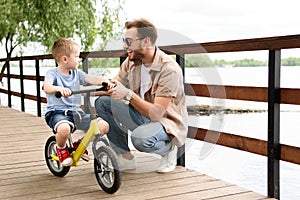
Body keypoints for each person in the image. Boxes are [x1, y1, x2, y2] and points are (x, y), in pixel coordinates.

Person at [95, 18, 188, 173]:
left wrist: (128, 95)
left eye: (129, 41)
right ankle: (125, 158)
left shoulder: (169, 70)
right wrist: (76, 89)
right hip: (141, 114)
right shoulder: (132, 62)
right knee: (103, 102)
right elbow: (112, 85)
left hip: (165, 122)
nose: (125, 46)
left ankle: (168, 149)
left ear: (145, 42)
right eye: (124, 41)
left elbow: (157, 114)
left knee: (140, 139)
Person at [43, 38, 110, 166]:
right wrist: (59, 89)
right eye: (77, 56)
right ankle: (61, 149)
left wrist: (104, 81)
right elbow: (47, 87)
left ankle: (79, 144)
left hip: (76, 113)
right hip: (57, 113)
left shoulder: (77, 73)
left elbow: (90, 79)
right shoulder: (52, 73)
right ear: (64, 59)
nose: (79, 59)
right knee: (64, 129)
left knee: (103, 126)